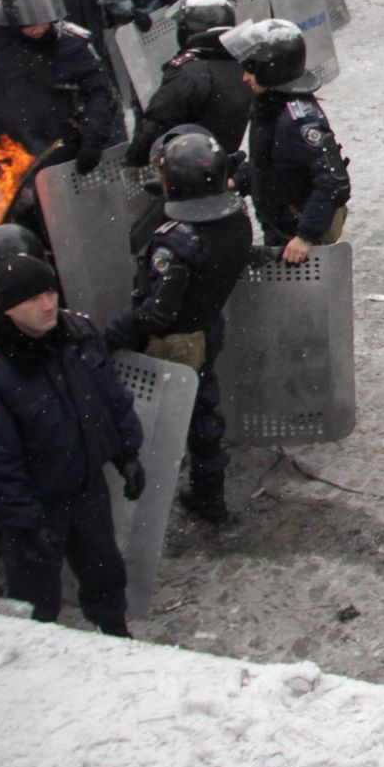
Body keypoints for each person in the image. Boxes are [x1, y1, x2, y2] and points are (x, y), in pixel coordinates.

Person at [0, 254, 144, 636]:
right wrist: (24, 522)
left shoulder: (80, 335)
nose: (47, 305)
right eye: (32, 299)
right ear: (7, 309)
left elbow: (110, 398)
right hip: (39, 505)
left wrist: (127, 454)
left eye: (50, 291)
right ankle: (38, 650)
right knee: (35, 595)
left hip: (87, 487)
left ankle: (113, 631)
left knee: (105, 570)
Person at [108, 130, 253, 526]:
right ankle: (211, 495)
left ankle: (154, 500)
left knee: (166, 419)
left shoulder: (178, 241)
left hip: (175, 342)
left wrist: (115, 332)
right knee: (205, 412)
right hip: (208, 326)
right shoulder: (237, 219)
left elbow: (158, 313)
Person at [225, 18, 351, 263]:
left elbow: (334, 181)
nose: (244, 77)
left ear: (271, 69)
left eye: (251, 69)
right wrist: (238, 179)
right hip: (279, 223)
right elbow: (271, 163)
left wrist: (305, 236)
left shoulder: (298, 121)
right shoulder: (270, 106)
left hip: (294, 236)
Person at [0, 0, 122, 185]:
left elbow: (99, 92)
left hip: (64, 144)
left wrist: (93, 138)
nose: (39, 29)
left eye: (43, 21)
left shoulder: (72, 44)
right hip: (17, 151)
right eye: (30, 24)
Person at [124, 0, 254, 165]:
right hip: (228, 164)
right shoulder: (244, 65)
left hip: (189, 168)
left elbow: (158, 122)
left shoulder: (190, 72)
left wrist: (135, 157)